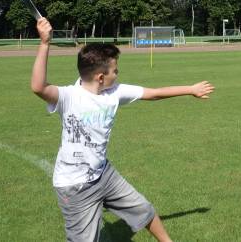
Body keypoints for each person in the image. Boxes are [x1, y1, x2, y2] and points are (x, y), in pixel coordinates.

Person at [31, 18, 215, 242]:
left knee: (143, 209)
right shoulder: (69, 96)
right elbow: (38, 87)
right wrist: (44, 43)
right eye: (115, 71)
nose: (118, 74)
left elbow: (154, 93)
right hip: (74, 185)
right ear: (101, 77)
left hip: (103, 173)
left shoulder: (115, 92)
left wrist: (191, 89)